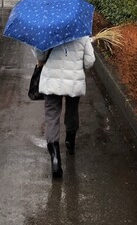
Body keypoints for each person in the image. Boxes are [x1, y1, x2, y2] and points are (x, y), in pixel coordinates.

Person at [34, 33, 95, 178]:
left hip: (51, 80)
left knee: (52, 117)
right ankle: (70, 141)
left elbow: (40, 56)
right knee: (72, 111)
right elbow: (89, 62)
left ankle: (55, 158)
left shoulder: (48, 31)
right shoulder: (82, 34)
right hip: (73, 81)